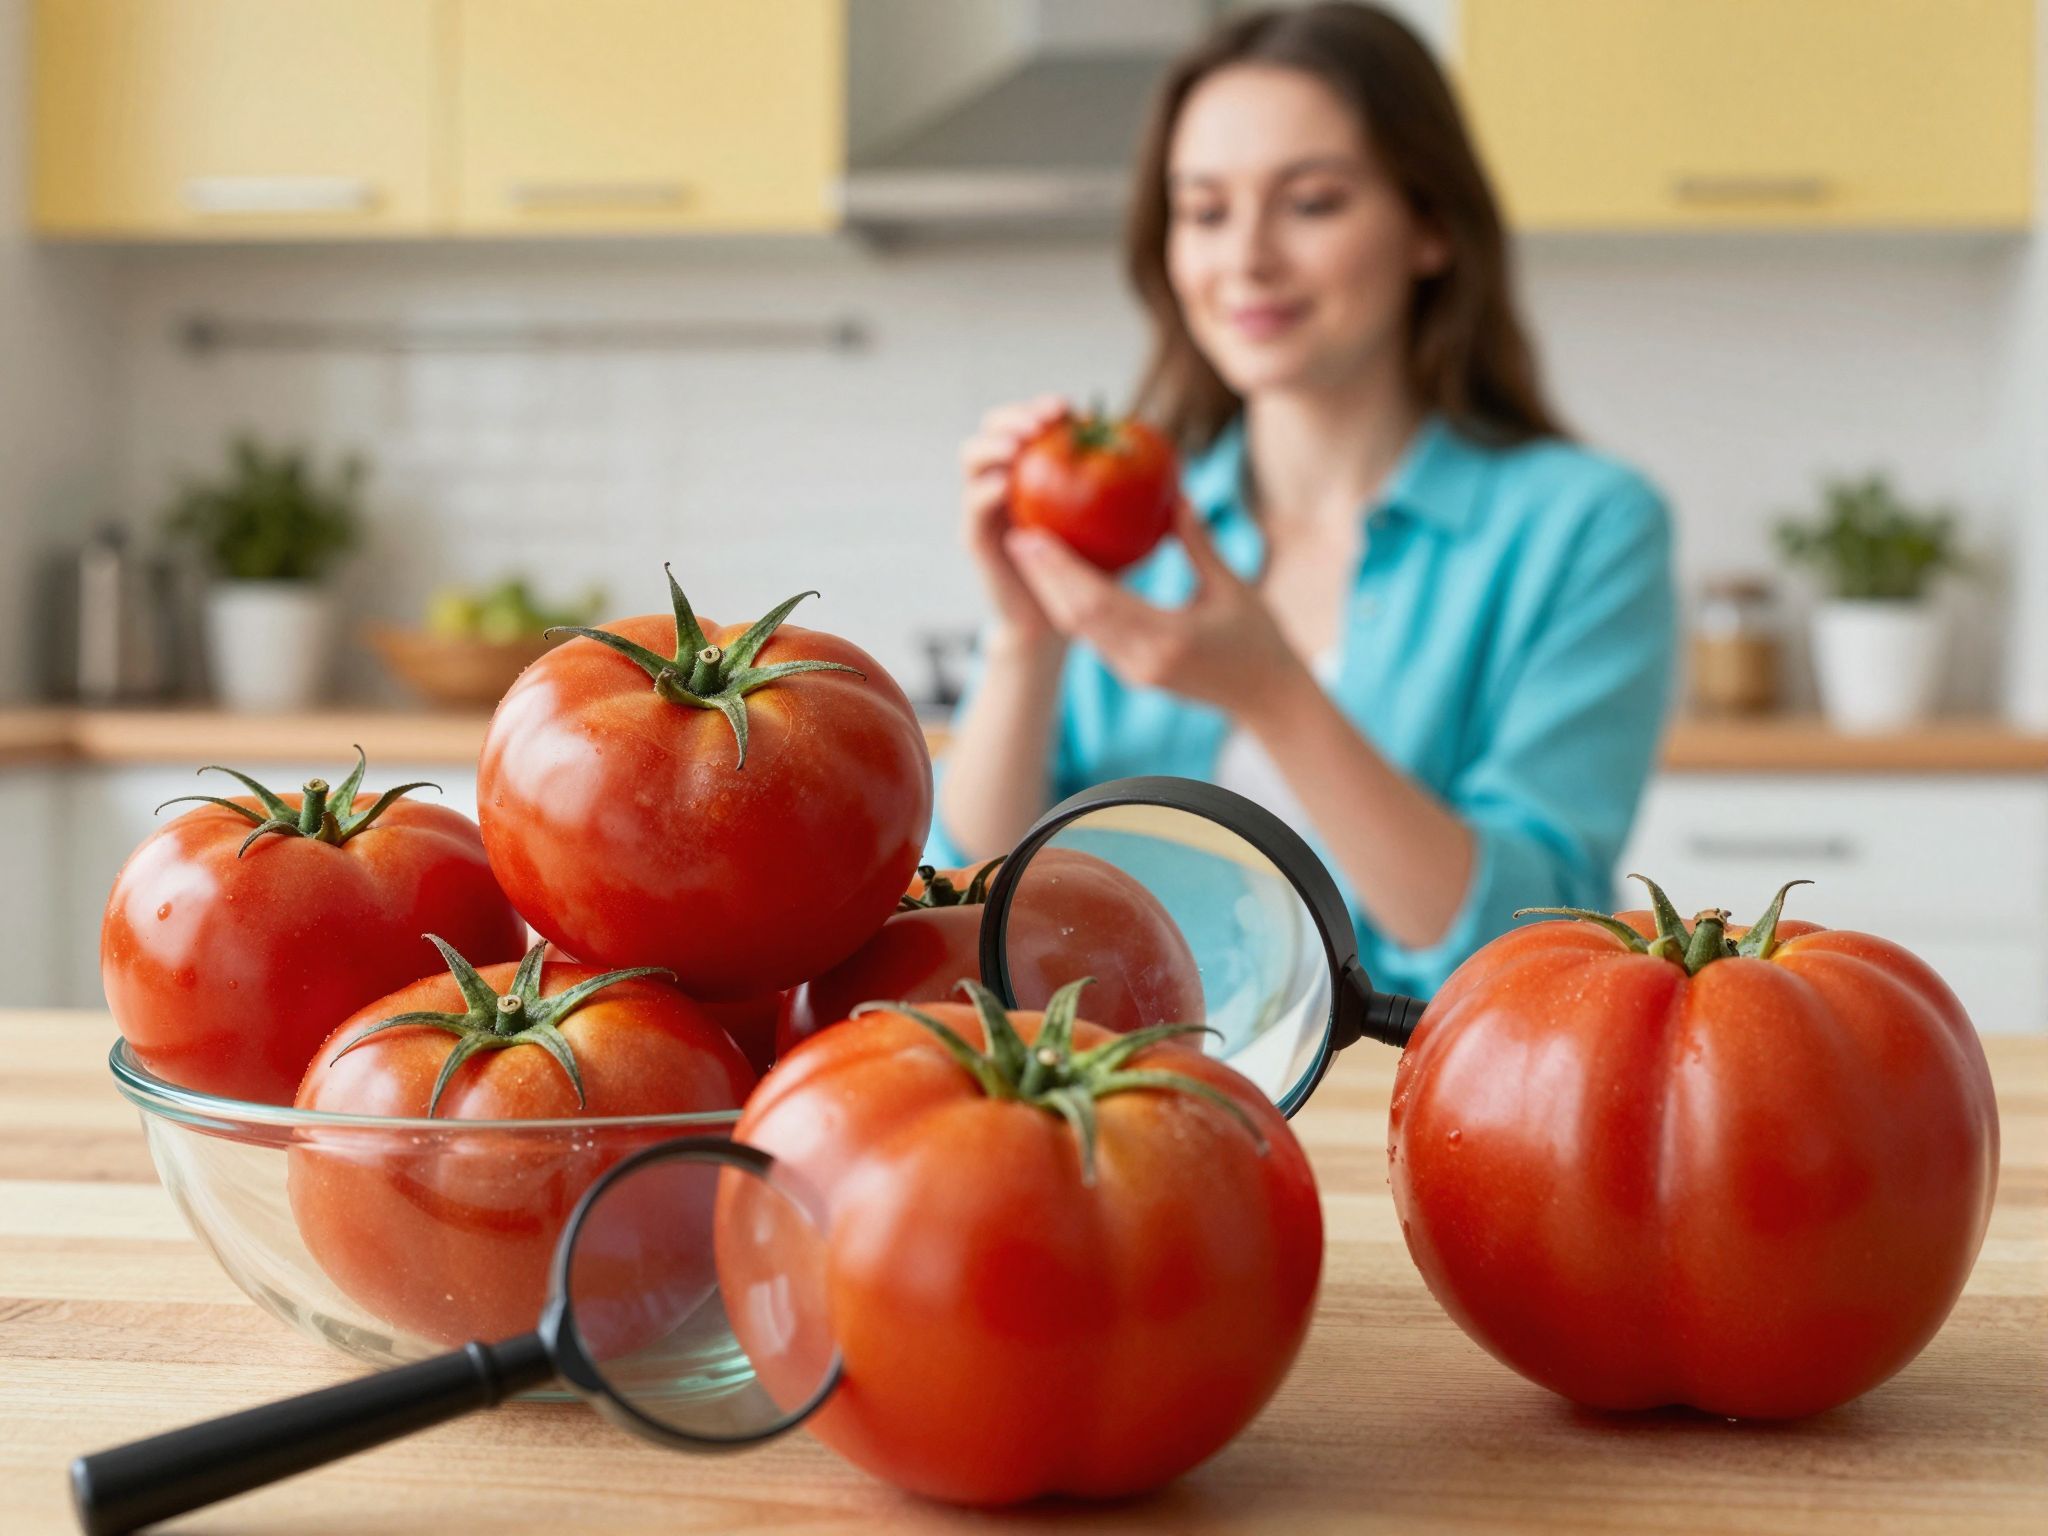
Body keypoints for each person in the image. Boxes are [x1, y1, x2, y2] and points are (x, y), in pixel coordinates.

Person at [930, 2, 1675, 997]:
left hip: (1410, 1106)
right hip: (1109, 1089)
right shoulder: (1120, 528)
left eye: (1310, 202)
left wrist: (1272, 692)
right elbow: (960, 912)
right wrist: (1024, 638)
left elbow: (1528, 946)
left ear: (1429, 227)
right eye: (1203, 211)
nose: (1243, 259)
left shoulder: (1584, 530)